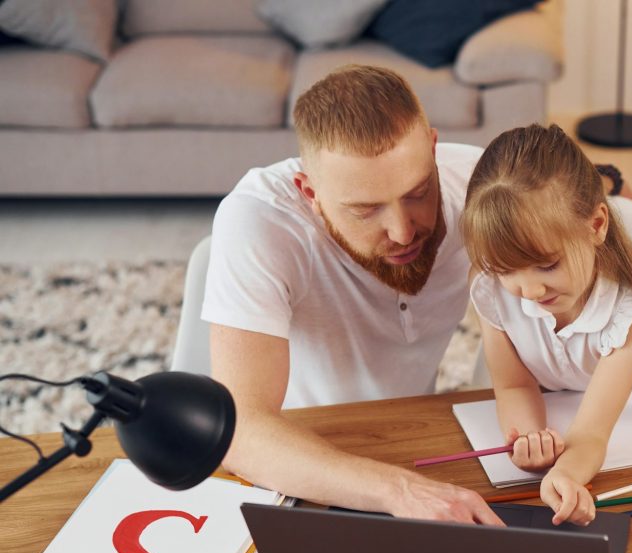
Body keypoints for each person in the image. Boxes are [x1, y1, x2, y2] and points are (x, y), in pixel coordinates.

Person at [202, 65, 503, 525]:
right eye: (365, 210)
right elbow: (240, 431)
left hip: (413, 435)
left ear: (434, 149)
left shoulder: (479, 185)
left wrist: (618, 187)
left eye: (419, 192)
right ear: (310, 193)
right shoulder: (258, 219)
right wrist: (399, 491)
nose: (403, 231)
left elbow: (580, 195)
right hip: (295, 462)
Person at [460, 123, 632, 527]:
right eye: (506, 270)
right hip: (543, 391)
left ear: (597, 226)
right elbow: (513, 385)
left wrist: (565, 474)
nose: (529, 290)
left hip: (624, 413)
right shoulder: (493, 291)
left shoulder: (631, 313)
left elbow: (591, 435)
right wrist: (529, 438)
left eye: (547, 264)